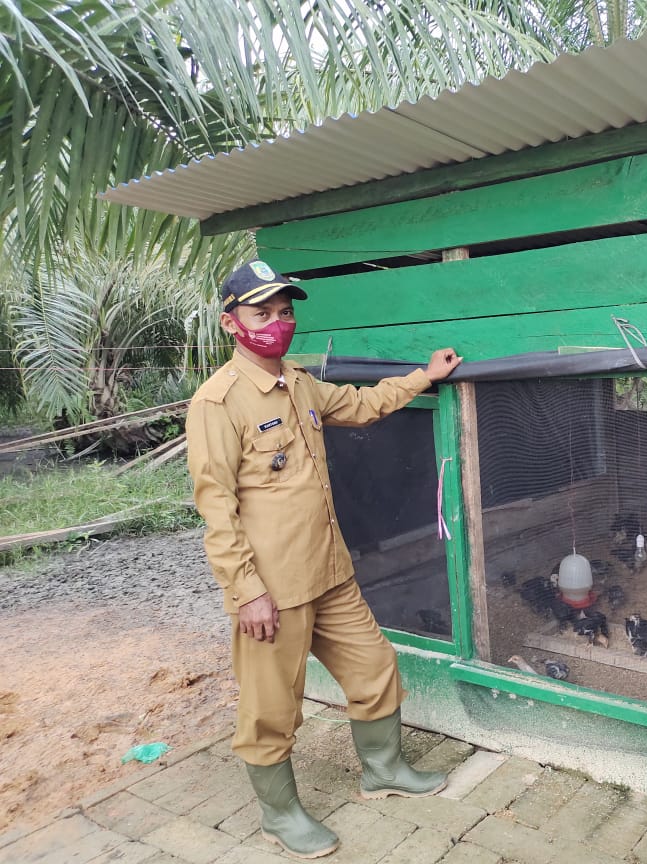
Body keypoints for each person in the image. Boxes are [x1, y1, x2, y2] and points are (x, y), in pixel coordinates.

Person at [186, 259, 462, 859]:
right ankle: (279, 815)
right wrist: (246, 592)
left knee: (374, 667)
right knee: (270, 708)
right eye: (263, 313)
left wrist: (424, 376)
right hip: (273, 589)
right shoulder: (218, 402)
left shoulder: (301, 382)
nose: (278, 323)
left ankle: (383, 771)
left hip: (330, 572)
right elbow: (216, 507)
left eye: (285, 312)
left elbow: (362, 405)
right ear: (233, 323)